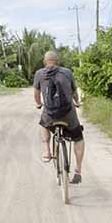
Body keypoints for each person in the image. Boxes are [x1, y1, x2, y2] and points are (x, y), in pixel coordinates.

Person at [33, 50, 85, 183]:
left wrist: (39, 104)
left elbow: (36, 94)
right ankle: (78, 170)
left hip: (50, 114)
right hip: (68, 114)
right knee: (78, 138)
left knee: (43, 124)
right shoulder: (67, 72)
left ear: (45, 62)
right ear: (58, 61)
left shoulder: (39, 74)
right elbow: (74, 92)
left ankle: (47, 151)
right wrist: (77, 102)